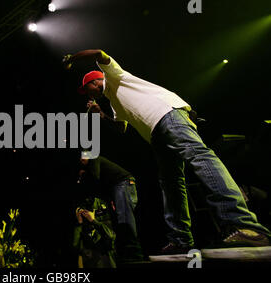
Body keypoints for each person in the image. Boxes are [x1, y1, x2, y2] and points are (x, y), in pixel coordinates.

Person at [63, 49, 271, 254]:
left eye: (86, 89)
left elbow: (100, 53)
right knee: (171, 183)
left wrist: (74, 58)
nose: (87, 95)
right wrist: (101, 115)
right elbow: (121, 128)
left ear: (94, 82)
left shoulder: (115, 76)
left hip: (168, 116)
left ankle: (245, 226)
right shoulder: (113, 101)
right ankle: (180, 239)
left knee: (201, 158)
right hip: (157, 135)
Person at [79, 155, 143, 262]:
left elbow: (95, 178)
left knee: (125, 218)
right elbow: (101, 183)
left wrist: (84, 175)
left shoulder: (93, 158)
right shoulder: (90, 164)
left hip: (123, 183)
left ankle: (135, 253)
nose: (81, 160)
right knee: (121, 219)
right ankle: (128, 252)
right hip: (118, 186)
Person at [73, 196, 117, 268]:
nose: (85, 214)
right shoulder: (82, 230)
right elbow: (75, 246)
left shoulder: (103, 225)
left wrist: (93, 221)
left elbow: (110, 237)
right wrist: (79, 223)